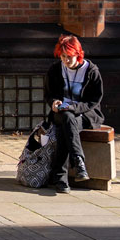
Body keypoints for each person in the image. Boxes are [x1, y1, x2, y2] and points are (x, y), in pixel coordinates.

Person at [44, 32, 104, 192]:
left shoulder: (91, 71)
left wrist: (73, 108)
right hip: (61, 113)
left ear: (78, 54)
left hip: (86, 114)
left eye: (69, 56)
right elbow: (49, 94)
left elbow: (94, 100)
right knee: (67, 118)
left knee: (67, 125)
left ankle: (60, 178)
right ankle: (79, 163)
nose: (65, 60)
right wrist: (54, 102)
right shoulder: (56, 70)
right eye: (62, 56)